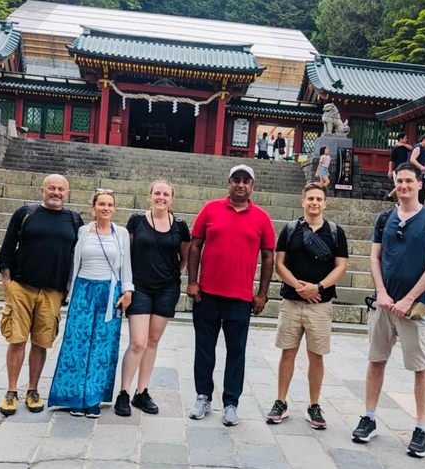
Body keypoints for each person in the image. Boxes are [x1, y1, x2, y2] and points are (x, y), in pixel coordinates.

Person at [352, 162, 425, 458]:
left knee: (420, 366)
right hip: (382, 303)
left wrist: (408, 299)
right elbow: (374, 258)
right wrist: (380, 292)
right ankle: (368, 416)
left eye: (409, 180)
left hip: (415, 307)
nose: (404, 186)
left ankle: (421, 428)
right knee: (376, 360)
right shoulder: (384, 219)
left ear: (421, 184)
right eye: (399, 181)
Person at [186, 165, 276, 426]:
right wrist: (192, 281)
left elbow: (268, 256)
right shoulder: (210, 209)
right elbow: (195, 246)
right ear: (228, 183)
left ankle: (231, 403)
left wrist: (261, 293)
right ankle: (203, 396)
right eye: (236, 180)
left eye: (246, 181)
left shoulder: (261, 217)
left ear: (252, 187)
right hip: (208, 294)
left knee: (236, 351)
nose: (240, 185)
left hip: (241, 297)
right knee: (204, 348)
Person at [0, 175, 83, 416]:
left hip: (53, 291)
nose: (56, 192)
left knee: (42, 342)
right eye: (52, 188)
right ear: (42, 190)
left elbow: (78, 256)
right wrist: (7, 284)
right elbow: (6, 250)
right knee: (16, 339)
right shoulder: (25, 213)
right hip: (22, 287)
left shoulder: (74, 220)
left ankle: (33, 390)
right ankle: (11, 391)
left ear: (67, 192)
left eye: (61, 189)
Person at [266, 183, 348, 429]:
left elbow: (341, 267)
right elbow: (279, 263)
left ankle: (314, 404)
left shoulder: (335, 232)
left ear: (325, 203)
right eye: (310, 198)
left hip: (320, 305)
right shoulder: (290, 230)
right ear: (302, 202)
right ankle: (281, 401)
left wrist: (318, 287)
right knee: (287, 352)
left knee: (316, 355)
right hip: (292, 301)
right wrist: (301, 288)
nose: (314, 202)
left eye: (319, 199)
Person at [48, 190, 134, 418]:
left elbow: (126, 266)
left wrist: (127, 291)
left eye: (110, 205)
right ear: (93, 207)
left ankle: (94, 397)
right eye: (101, 204)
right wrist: (67, 291)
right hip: (84, 290)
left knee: (103, 346)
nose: (106, 208)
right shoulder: (83, 231)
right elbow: (74, 263)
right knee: (77, 343)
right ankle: (74, 395)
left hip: (110, 293)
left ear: (114, 208)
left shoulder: (121, 233)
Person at [115, 181, 191, 417]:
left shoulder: (179, 225)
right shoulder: (136, 221)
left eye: (166, 194)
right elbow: (125, 255)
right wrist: (126, 287)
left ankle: (142, 391)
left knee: (153, 340)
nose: (161, 197)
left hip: (166, 288)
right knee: (138, 341)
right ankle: (124, 393)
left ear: (171, 199)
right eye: (157, 193)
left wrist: (172, 275)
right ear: (150, 195)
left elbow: (185, 256)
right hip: (139, 287)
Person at [386, 132, 413, 200]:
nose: (406, 140)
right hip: (397, 168)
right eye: (405, 138)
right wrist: (390, 171)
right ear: (401, 139)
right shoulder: (395, 148)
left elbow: (411, 148)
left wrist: (403, 145)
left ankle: (389, 196)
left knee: (401, 184)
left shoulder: (404, 147)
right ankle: (398, 200)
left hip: (404, 168)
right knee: (398, 185)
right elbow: (391, 160)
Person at [408, 133, 425, 205]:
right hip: (415, 171)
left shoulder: (421, 148)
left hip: (418, 172)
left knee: (420, 190)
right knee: (419, 190)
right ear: (424, 140)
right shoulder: (418, 147)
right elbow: (412, 159)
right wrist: (421, 166)